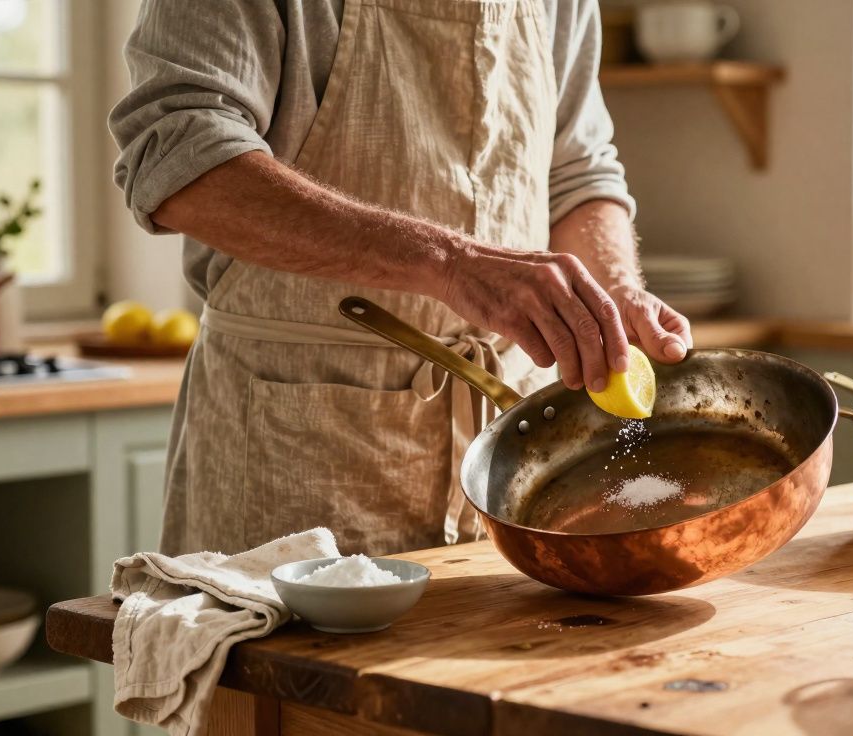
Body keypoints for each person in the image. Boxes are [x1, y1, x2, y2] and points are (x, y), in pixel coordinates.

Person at [110, 0, 691, 556]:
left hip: (509, 454)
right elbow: (181, 158)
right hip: (293, 448)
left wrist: (613, 293)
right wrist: (451, 263)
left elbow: (577, 170)